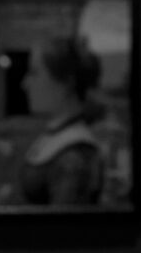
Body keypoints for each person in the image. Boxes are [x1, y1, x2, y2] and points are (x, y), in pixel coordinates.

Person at [18, 35, 105, 206]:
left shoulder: (75, 154)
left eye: (34, 72)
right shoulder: (56, 134)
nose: (25, 83)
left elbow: (64, 229)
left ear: (66, 83)